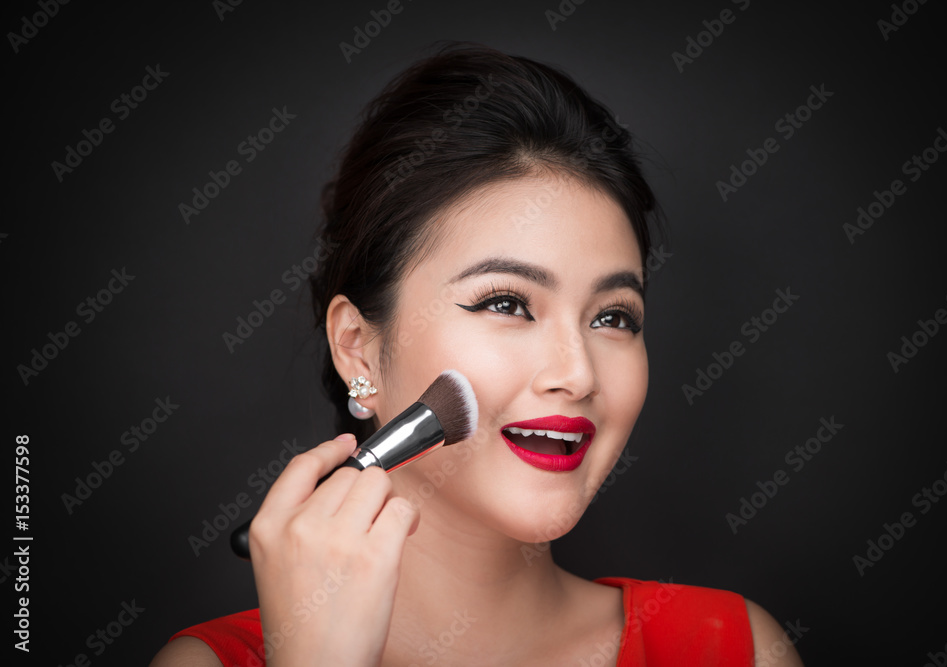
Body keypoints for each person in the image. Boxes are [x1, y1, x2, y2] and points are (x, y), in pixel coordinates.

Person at [149, 41, 803, 666]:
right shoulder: (208, 662)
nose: (576, 374)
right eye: (506, 303)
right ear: (357, 346)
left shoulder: (731, 648)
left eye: (613, 316)